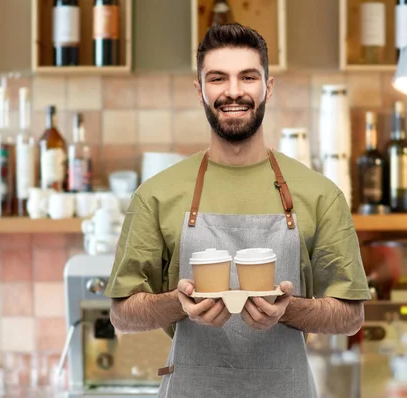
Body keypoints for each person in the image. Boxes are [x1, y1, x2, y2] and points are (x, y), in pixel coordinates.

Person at [104, 22, 371, 397]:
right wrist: (176, 303)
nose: (233, 91)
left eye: (248, 77)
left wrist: (288, 310)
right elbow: (122, 313)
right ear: (199, 90)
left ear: (268, 87)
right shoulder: (157, 195)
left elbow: (350, 316)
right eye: (217, 78)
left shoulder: (320, 195)